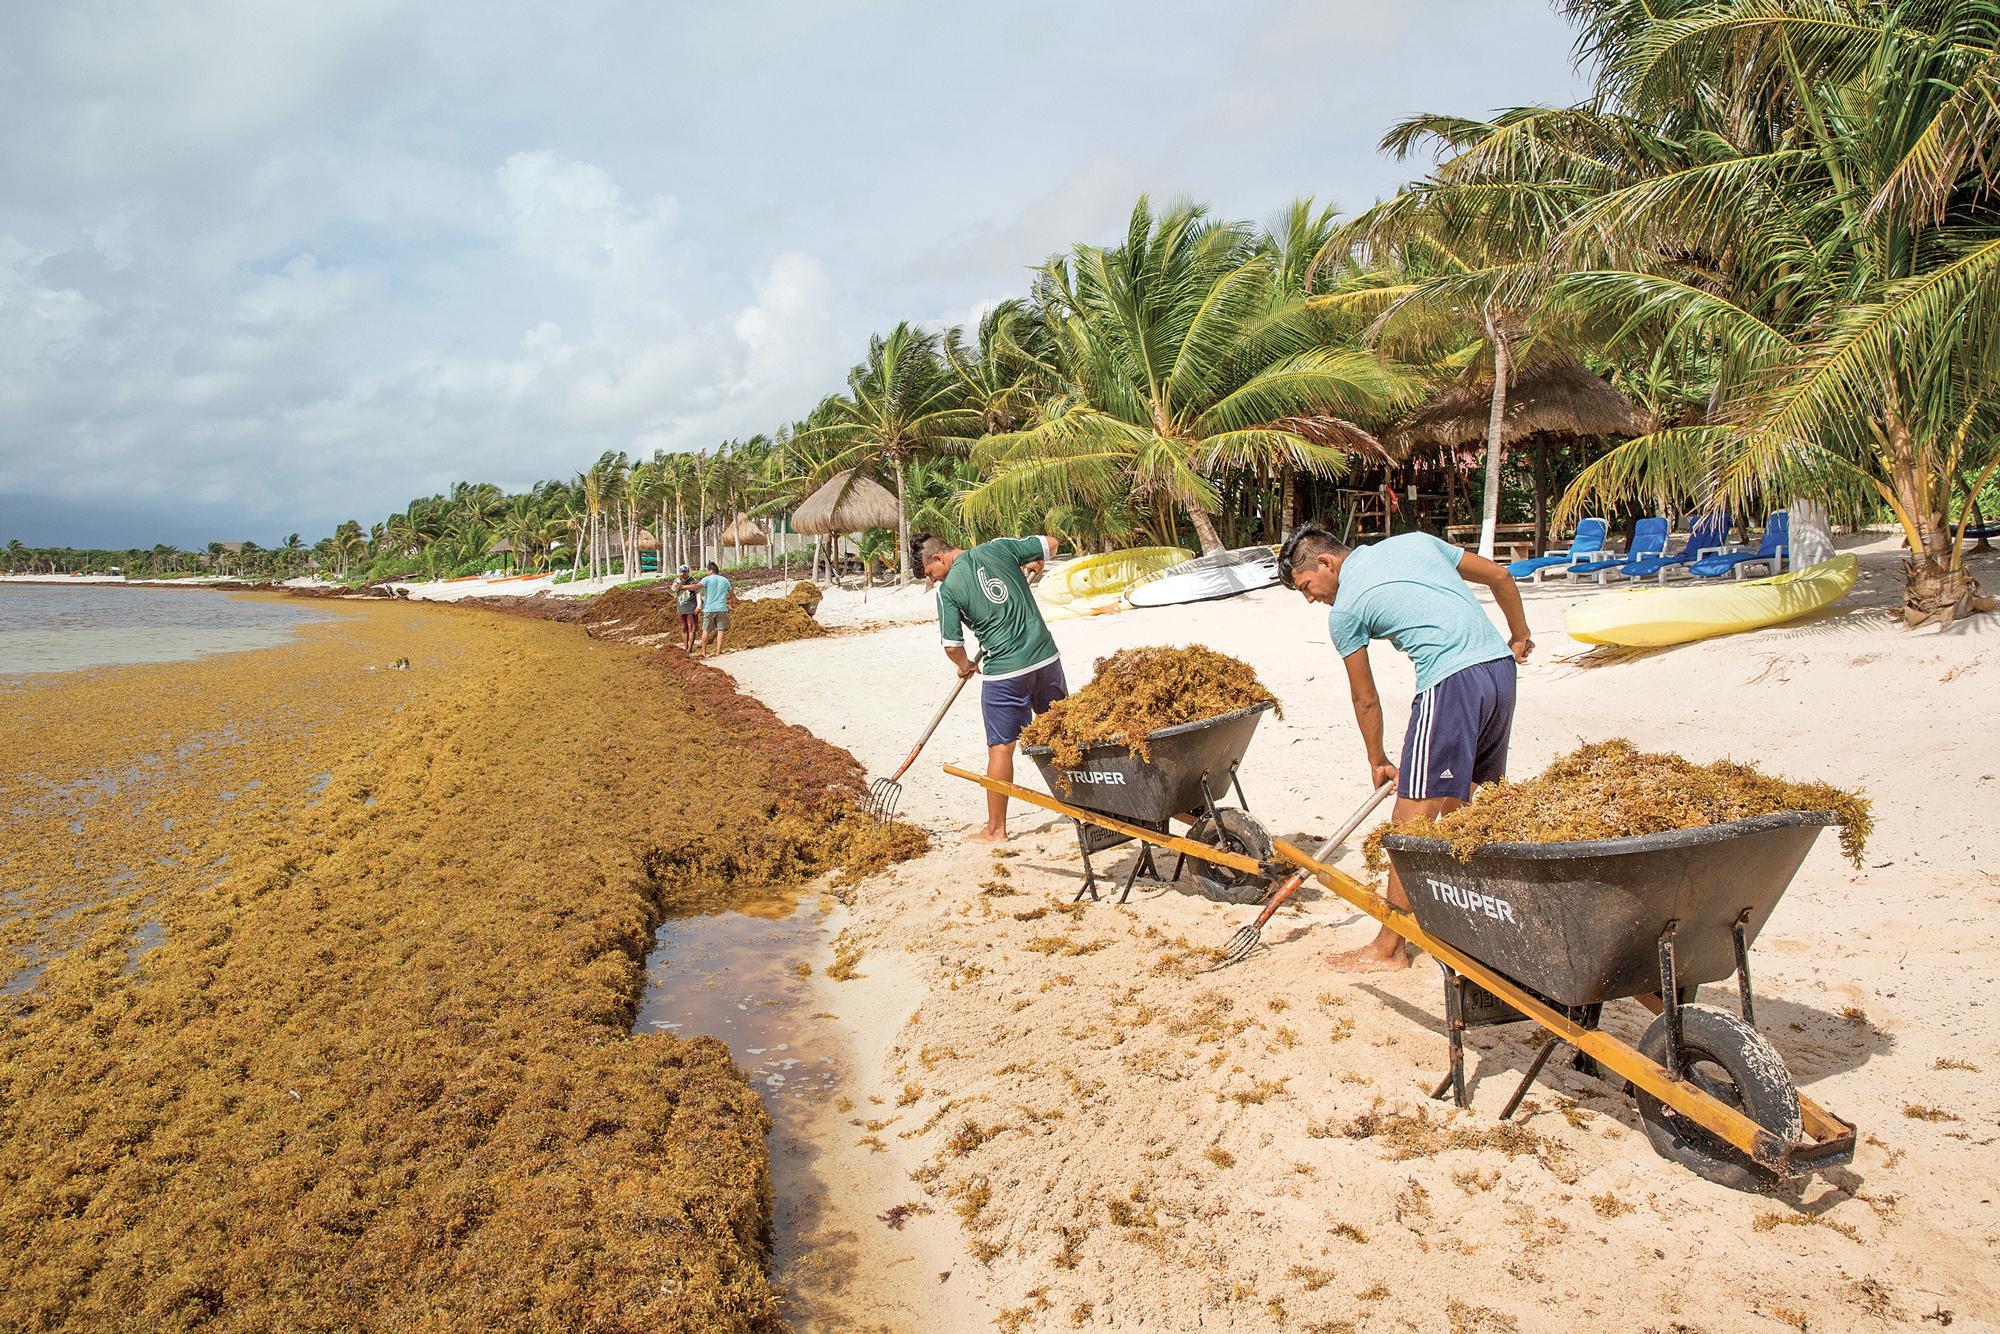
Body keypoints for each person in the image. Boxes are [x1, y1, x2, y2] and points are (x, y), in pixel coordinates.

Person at [1277, 523, 1533, 972]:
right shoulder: (1415, 542)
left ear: (1325, 563)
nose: (1310, 599)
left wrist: (1377, 759)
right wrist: (1518, 636)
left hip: (1451, 682)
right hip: (1499, 671)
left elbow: (1365, 698)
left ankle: (1389, 948)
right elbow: (1501, 577)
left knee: (1410, 815)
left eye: (1306, 587)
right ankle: (1457, 916)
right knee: (1461, 802)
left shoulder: (1345, 612)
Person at [912, 530, 1064, 844]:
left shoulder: (949, 590)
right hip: (1046, 658)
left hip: (1006, 672)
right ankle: (1086, 805)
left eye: (932, 574)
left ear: (939, 557)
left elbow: (952, 645)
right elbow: (1050, 544)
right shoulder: (998, 547)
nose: (936, 581)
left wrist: (964, 665)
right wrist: (1035, 560)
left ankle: (995, 830)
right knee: (1061, 731)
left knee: (1001, 748)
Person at [697, 561, 732, 656]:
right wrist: (731, 604)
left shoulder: (706, 579)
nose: (706, 572)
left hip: (709, 609)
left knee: (706, 630)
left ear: (711, 570)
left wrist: (683, 586)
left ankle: (703, 652)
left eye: (707, 570)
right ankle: (718, 651)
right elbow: (732, 595)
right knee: (721, 630)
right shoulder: (725, 580)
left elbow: (697, 587)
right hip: (722, 608)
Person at [671, 564, 701, 653]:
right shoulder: (677, 580)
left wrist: (699, 605)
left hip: (691, 606)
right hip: (681, 606)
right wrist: (679, 580)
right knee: (684, 627)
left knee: (691, 627)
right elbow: (673, 589)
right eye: (681, 572)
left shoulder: (693, 581)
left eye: (685, 572)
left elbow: (698, 593)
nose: (683, 574)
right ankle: (685, 646)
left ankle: (690, 648)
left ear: (688, 572)